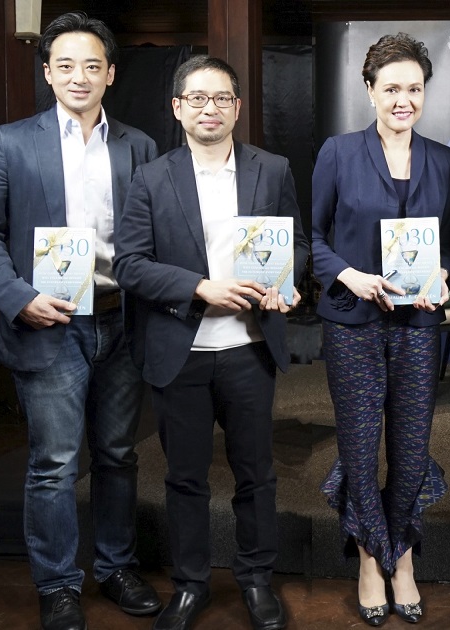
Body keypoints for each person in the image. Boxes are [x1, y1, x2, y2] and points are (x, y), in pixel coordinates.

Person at [0, 12, 160, 630]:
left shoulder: (138, 145)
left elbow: (152, 236)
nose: (80, 76)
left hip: (120, 319)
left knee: (119, 454)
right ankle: (57, 584)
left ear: (110, 75)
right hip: (48, 322)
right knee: (53, 464)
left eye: (92, 65)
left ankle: (117, 567)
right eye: (66, 65)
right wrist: (18, 297)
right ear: (47, 73)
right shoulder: (11, 142)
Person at [114, 55, 308, 630]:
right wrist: (199, 288)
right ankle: (190, 585)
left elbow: (295, 242)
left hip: (249, 348)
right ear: (177, 108)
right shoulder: (151, 177)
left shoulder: (271, 168)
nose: (210, 108)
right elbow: (130, 264)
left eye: (222, 98)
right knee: (184, 477)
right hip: (182, 351)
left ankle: (257, 580)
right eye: (197, 98)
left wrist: (288, 282)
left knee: (256, 473)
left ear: (237, 107)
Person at [311, 33, 450, 627]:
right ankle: (370, 557)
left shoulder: (444, 160)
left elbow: (449, 247)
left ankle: (402, 553)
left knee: (410, 446)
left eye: (414, 89)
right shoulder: (339, 152)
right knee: (358, 444)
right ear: (369, 90)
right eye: (392, 88)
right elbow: (313, 239)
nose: (404, 100)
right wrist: (349, 275)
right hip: (352, 322)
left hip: (417, 323)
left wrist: (443, 276)